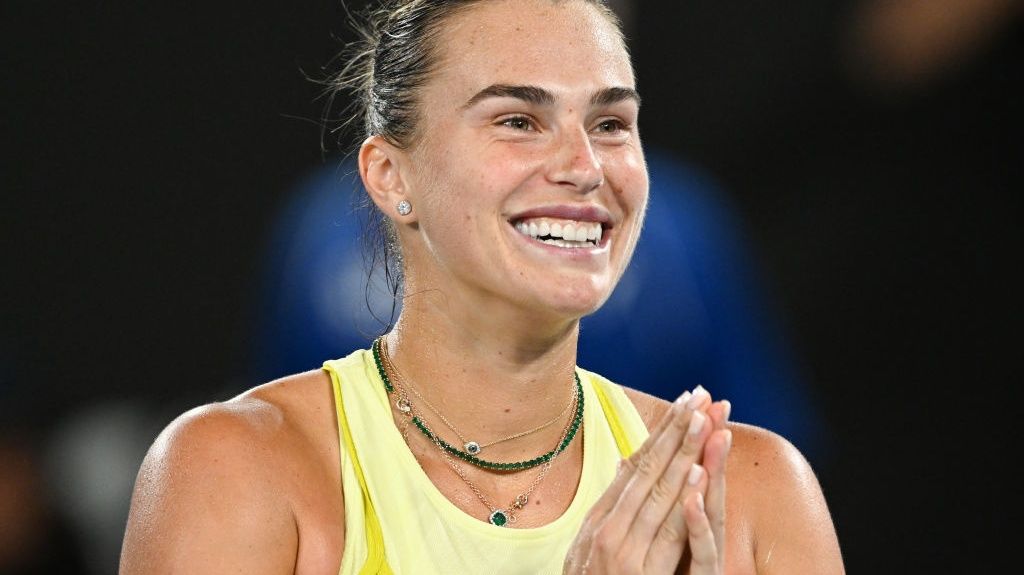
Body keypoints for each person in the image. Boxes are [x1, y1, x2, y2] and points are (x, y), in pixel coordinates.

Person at [119, 0, 844, 573]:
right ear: (390, 176)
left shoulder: (755, 493)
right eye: (519, 120)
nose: (586, 165)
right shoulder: (231, 474)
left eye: (612, 122)